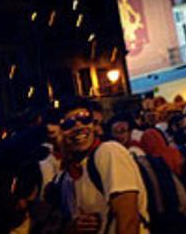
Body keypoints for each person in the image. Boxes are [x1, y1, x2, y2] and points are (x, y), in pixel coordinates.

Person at [54, 100, 148, 234]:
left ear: (94, 126)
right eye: (68, 124)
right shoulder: (67, 177)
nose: (78, 127)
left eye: (85, 119)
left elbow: (129, 221)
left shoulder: (109, 152)